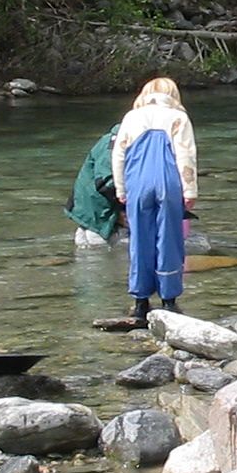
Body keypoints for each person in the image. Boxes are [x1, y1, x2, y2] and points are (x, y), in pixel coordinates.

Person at [113, 77, 197, 325]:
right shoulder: (178, 117)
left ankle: (140, 302)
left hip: (137, 181)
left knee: (139, 240)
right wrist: (189, 190)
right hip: (168, 181)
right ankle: (169, 301)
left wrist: (121, 188)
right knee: (169, 238)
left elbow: (118, 154)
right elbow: (185, 155)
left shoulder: (131, 117)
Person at [66, 124, 123, 246]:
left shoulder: (115, 139)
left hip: (90, 211)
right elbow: (105, 184)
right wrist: (126, 209)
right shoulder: (114, 146)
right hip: (100, 214)